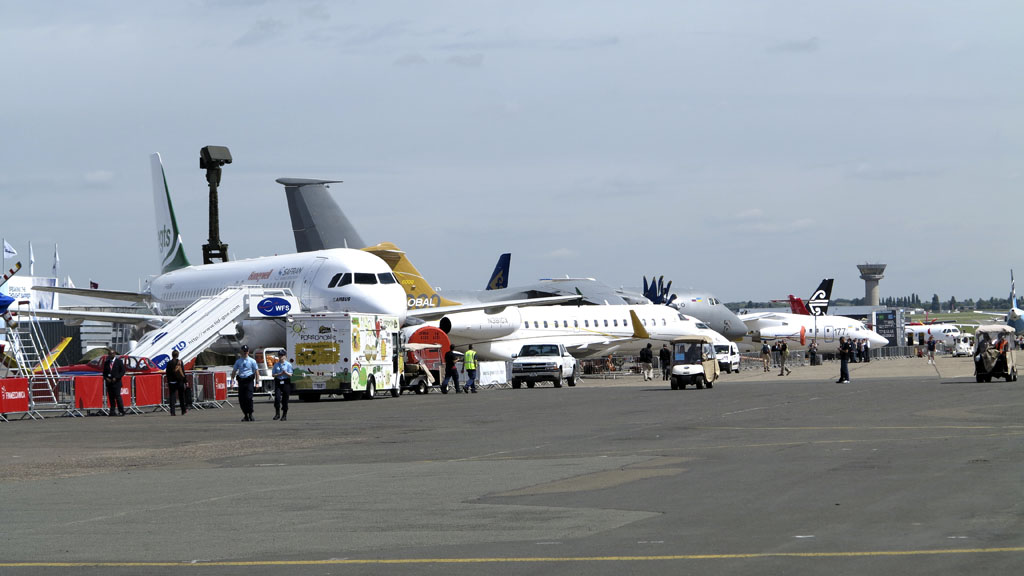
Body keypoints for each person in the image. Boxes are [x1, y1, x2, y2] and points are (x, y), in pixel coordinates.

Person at [231, 345, 259, 421]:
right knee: (241, 399)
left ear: (248, 351)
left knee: (249, 398)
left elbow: (256, 372)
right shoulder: (238, 361)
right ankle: (245, 415)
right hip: (241, 381)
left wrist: (257, 382)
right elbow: (234, 371)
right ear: (241, 351)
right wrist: (232, 381)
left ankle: (250, 413)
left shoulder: (252, 361)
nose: (245, 352)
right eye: (244, 351)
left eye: (246, 351)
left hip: (249, 381)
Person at [165, 349, 188, 416]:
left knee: (172, 396)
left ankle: (172, 412)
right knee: (181, 396)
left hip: (172, 382)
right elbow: (182, 372)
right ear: (178, 355)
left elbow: (167, 373)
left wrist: (169, 381)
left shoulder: (169, 363)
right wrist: (185, 381)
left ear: (172, 355)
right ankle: (183, 410)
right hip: (179, 381)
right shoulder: (180, 362)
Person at [272, 350, 293, 421]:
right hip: (278, 381)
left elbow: (291, 374)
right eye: (280, 355)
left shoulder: (288, 364)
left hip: (286, 382)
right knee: (277, 398)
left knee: (285, 399)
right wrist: (279, 374)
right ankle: (277, 413)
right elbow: (273, 374)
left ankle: (284, 414)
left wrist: (286, 373)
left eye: (282, 355)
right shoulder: (276, 365)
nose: (281, 357)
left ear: (285, 356)